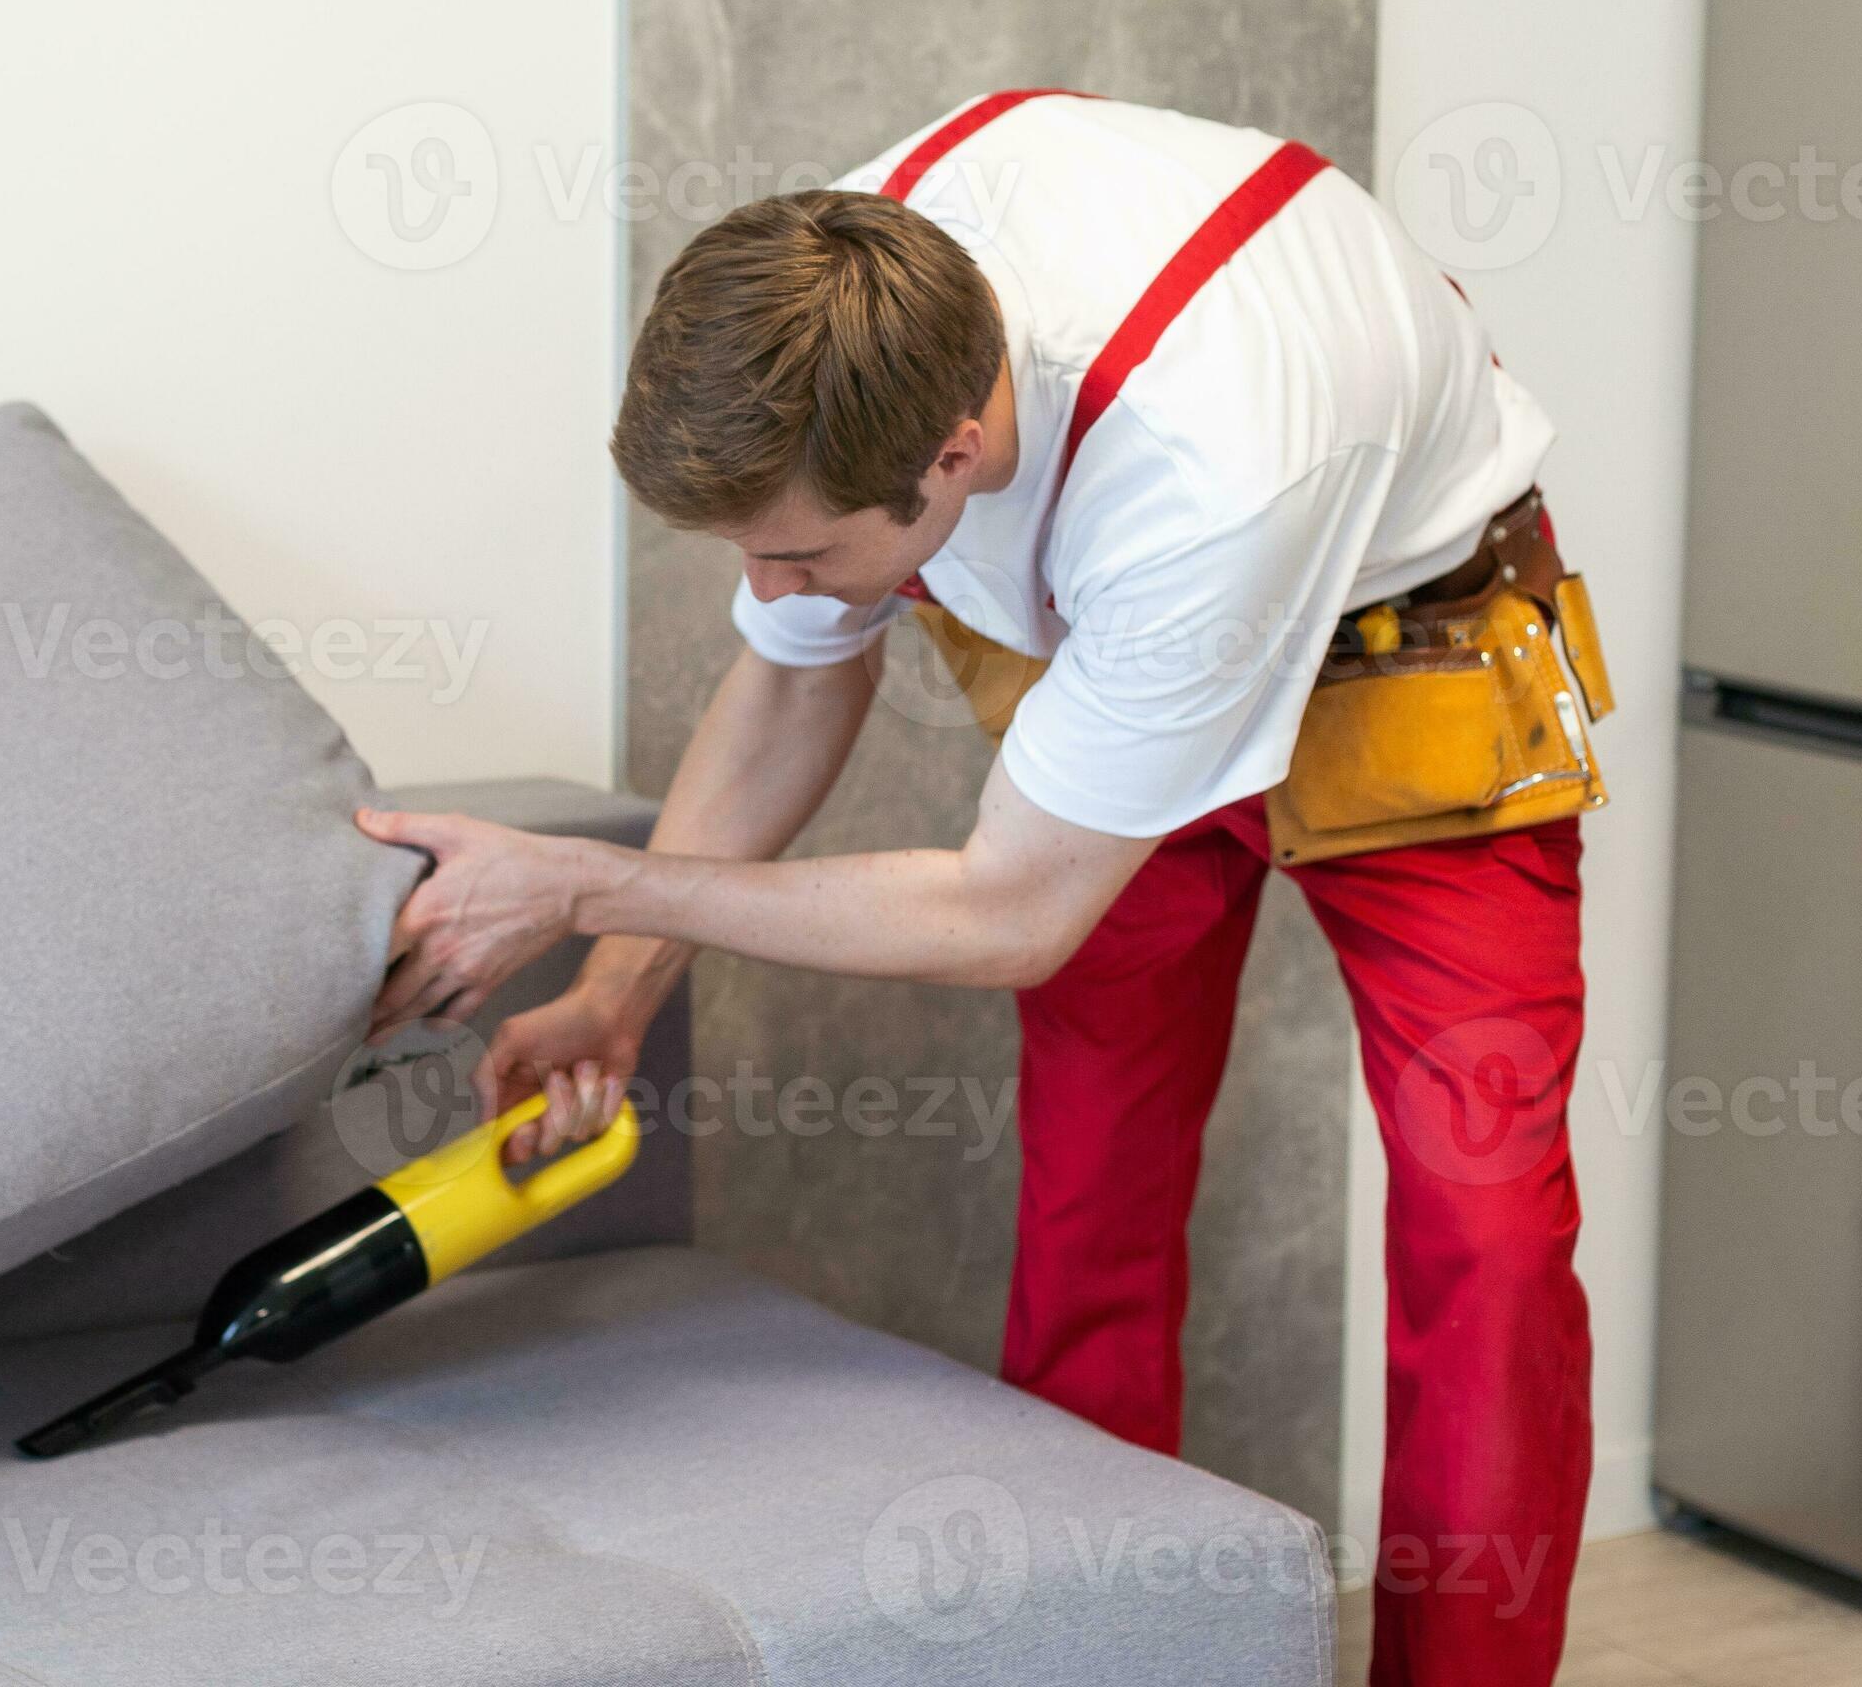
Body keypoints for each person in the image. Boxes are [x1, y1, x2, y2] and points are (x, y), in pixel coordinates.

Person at [355, 90, 1609, 1685]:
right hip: (1115, 638)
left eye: (796, 557)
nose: (769, 592)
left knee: (1484, 1234)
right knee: (1093, 1185)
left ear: (955, 457)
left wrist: (591, 889)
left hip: (1406, 644)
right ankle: (1099, 1650)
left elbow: (1010, 915)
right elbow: (797, 684)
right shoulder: (850, 296)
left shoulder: (1217, 462)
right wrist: (615, 1002)